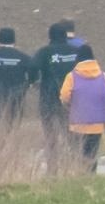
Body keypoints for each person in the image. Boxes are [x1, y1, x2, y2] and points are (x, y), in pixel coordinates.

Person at [31, 22, 84, 166]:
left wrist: (34, 81)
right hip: (73, 99)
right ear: (65, 36)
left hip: (49, 98)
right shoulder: (77, 52)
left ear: (50, 36)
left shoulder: (44, 52)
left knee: (50, 134)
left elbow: (32, 67)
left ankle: (52, 164)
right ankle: (75, 164)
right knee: (72, 133)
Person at [60, 44, 105, 172]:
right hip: (97, 124)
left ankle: (79, 174)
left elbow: (64, 96)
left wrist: (71, 104)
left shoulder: (72, 76)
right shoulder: (103, 76)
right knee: (92, 152)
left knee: (78, 152)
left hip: (77, 123)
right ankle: (91, 174)